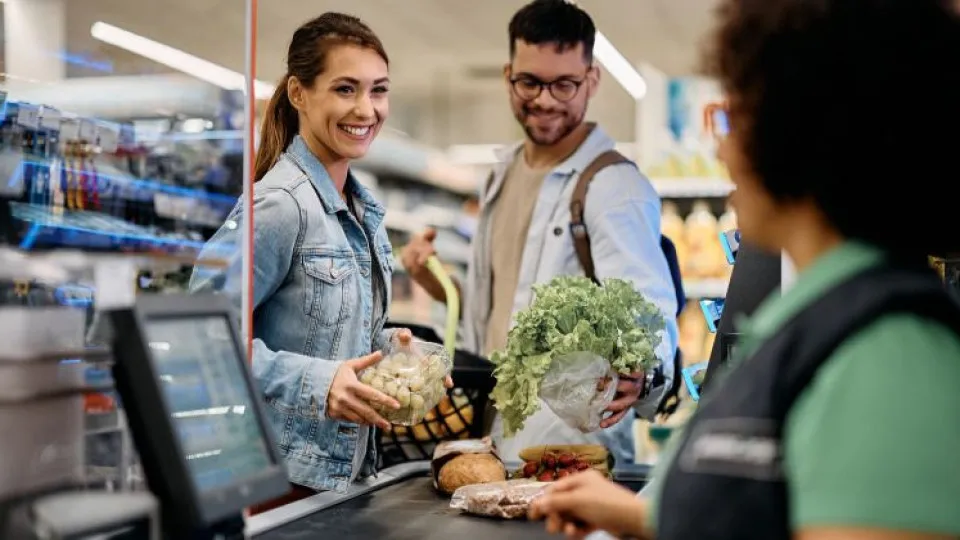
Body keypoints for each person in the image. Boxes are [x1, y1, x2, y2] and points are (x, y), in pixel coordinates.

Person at [529, 0, 960, 538]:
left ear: (803, 133)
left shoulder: (888, 355)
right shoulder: (813, 321)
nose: (722, 145)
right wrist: (640, 516)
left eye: (736, 116)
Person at [400, 0, 679, 466]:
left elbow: (649, 314)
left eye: (564, 84)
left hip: (570, 453)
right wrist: (441, 286)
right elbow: (506, 319)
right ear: (508, 75)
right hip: (492, 440)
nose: (545, 99)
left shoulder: (612, 186)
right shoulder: (501, 175)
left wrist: (644, 372)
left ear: (592, 80)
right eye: (530, 82)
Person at [190, 13, 449, 508]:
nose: (366, 109)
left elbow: (318, 334)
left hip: (337, 480)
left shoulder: (362, 208)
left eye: (378, 91)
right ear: (298, 94)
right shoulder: (281, 205)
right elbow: (202, 338)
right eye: (346, 89)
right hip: (276, 482)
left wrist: (396, 357)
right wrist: (318, 382)